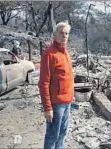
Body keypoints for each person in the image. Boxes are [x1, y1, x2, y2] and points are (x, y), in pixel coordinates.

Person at [38, 21, 74, 149]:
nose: (64, 36)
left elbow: (67, 77)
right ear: (54, 35)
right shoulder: (49, 54)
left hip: (67, 102)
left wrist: (71, 95)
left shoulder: (65, 53)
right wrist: (47, 108)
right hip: (56, 104)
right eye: (61, 33)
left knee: (62, 134)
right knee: (52, 135)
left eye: (66, 33)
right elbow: (43, 83)